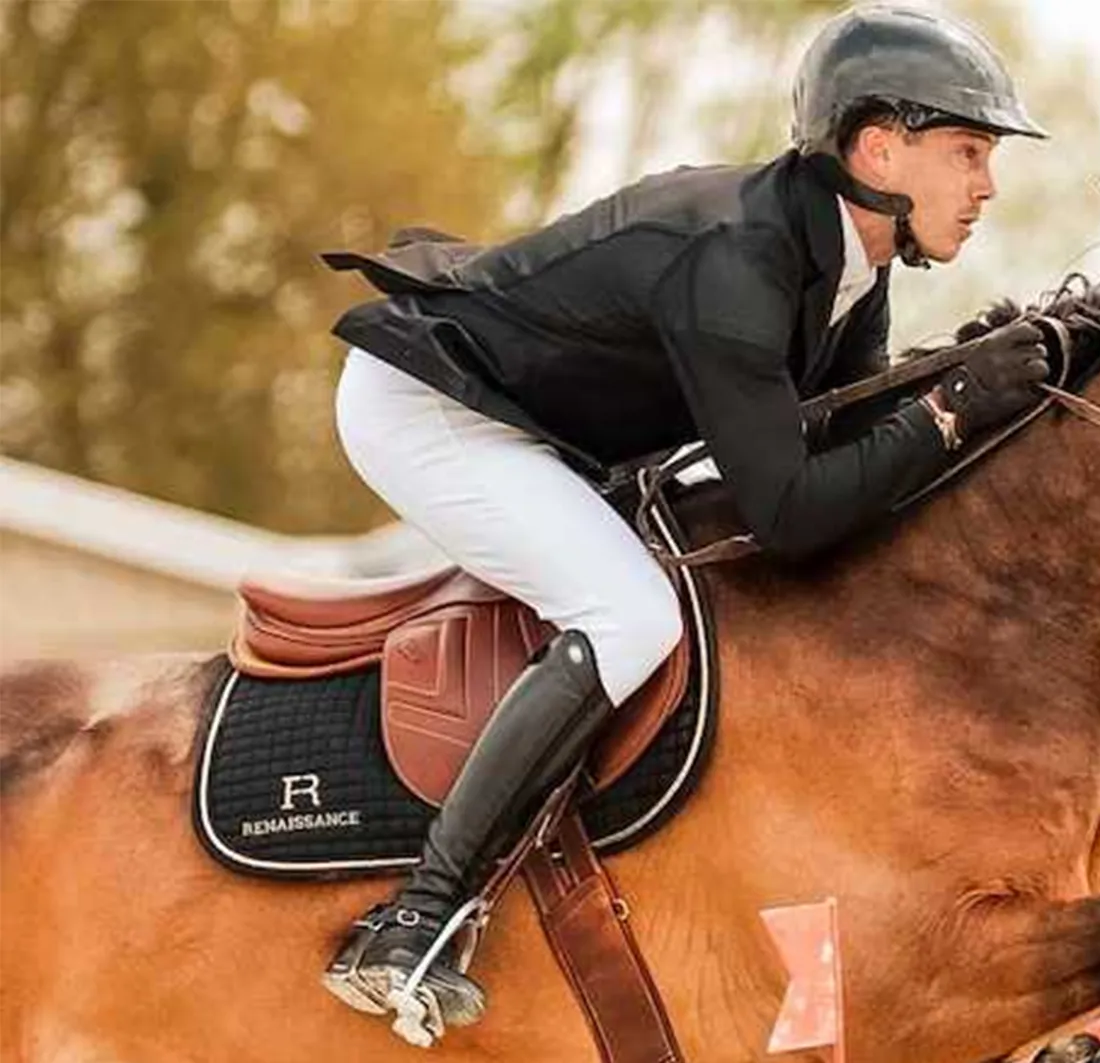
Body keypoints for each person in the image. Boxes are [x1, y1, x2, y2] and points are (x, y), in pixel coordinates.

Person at [317, 6, 1051, 1037]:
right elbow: (791, 509)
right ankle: (415, 921)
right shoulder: (738, 261)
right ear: (880, 146)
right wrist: (949, 411)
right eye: (969, 150)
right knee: (630, 612)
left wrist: (958, 382)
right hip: (430, 407)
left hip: (533, 420)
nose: (986, 185)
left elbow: (853, 444)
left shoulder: (852, 269)